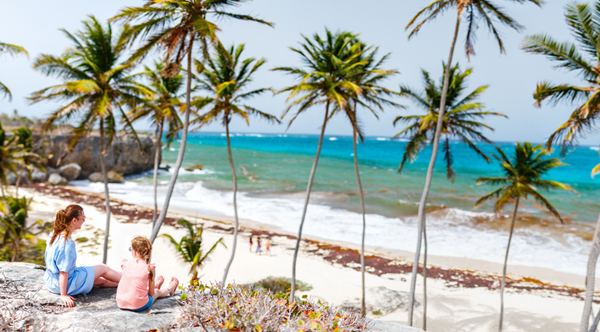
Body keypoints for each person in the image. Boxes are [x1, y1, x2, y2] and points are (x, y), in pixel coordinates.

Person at [44, 204, 122, 308]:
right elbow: (63, 272)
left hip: (51, 282)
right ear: (74, 220)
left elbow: (53, 260)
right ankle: (133, 280)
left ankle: (125, 284)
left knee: (100, 281)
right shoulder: (67, 244)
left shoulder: (54, 234)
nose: (84, 220)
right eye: (83, 218)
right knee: (103, 268)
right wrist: (64, 295)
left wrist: (71, 267)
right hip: (65, 284)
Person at [116, 236, 179, 312]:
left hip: (121, 303)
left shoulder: (125, 263)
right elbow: (151, 293)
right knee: (157, 292)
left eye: (130, 249)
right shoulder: (150, 268)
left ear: (134, 252)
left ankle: (156, 284)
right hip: (139, 305)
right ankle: (170, 288)